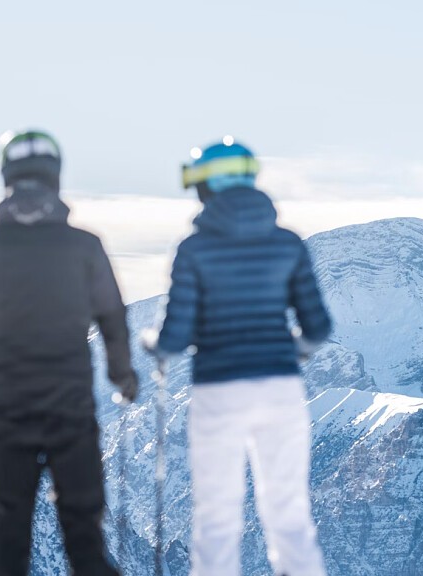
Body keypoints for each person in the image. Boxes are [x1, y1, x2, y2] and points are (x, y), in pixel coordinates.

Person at [0, 129, 137, 576]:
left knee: (7, 532)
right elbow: (113, 322)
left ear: (6, 177)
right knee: (84, 536)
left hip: (8, 412)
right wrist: (124, 378)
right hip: (72, 411)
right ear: (55, 178)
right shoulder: (85, 247)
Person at [145, 137, 331, 576]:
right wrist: (293, 352)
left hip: (218, 390)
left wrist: (151, 343)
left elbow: (175, 337)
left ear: (206, 187)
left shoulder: (194, 249)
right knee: (288, 511)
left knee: (217, 515)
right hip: (281, 388)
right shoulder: (288, 244)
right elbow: (318, 327)